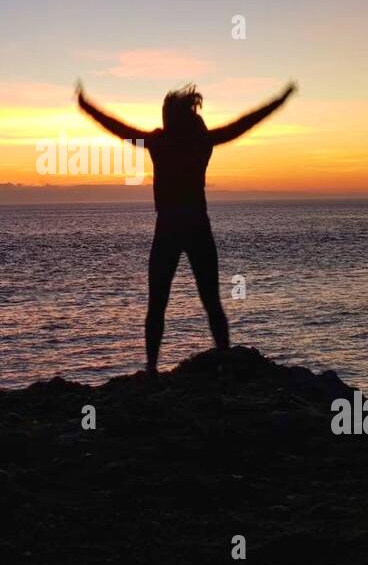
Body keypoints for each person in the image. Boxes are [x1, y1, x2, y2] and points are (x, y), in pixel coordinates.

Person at [75, 78, 297, 373]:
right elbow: (244, 124)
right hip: (193, 226)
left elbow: (120, 130)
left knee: (162, 303)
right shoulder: (197, 141)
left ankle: (155, 369)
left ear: (172, 115)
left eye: (166, 112)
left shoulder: (162, 142)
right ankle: (218, 361)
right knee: (206, 302)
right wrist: (279, 101)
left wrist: (87, 107)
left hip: (172, 227)